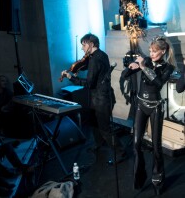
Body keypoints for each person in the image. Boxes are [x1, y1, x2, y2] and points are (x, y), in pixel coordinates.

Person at [60, 33, 127, 164]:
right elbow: (89, 68)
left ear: (91, 44)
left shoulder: (95, 59)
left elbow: (89, 83)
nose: (82, 48)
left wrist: (71, 77)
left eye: (83, 45)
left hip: (101, 98)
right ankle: (99, 144)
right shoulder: (101, 55)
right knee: (93, 122)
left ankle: (121, 152)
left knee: (105, 128)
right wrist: (78, 66)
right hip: (99, 96)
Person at [125, 35, 176, 195]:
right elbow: (127, 74)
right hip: (140, 105)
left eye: (154, 51)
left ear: (163, 51)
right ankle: (139, 177)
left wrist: (143, 67)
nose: (151, 54)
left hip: (155, 107)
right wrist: (130, 66)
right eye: (150, 51)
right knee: (136, 144)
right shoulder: (145, 60)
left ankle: (158, 181)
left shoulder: (168, 67)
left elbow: (159, 83)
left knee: (156, 146)